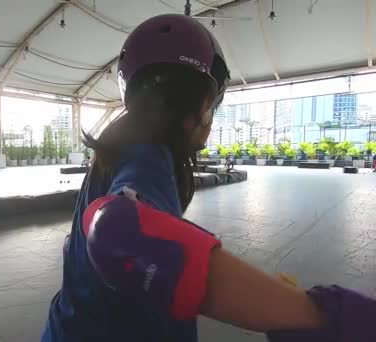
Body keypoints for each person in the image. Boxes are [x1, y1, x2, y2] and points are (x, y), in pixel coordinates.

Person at [41, 14, 376, 342]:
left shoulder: (119, 143)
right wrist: (313, 314)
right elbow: (120, 233)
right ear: (203, 105)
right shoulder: (148, 154)